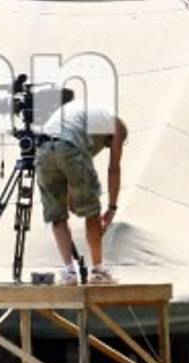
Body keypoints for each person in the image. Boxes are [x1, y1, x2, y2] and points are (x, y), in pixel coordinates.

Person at [37, 100, 128, 285]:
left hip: (43, 147)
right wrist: (111, 208)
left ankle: (69, 272)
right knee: (92, 211)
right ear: (113, 138)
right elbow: (114, 168)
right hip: (70, 146)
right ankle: (98, 270)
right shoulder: (117, 124)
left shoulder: (85, 115)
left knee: (57, 214)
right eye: (109, 146)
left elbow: (66, 164)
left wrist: (73, 198)